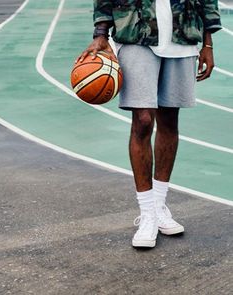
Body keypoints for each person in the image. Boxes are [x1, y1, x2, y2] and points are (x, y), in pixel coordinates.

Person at [78, 0, 222, 248]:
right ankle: (146, 214)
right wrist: (101, 33)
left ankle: (159, 206)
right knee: (143, 121)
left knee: (169, 120)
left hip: (182, 37)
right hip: (136, 33)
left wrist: (208, 43)